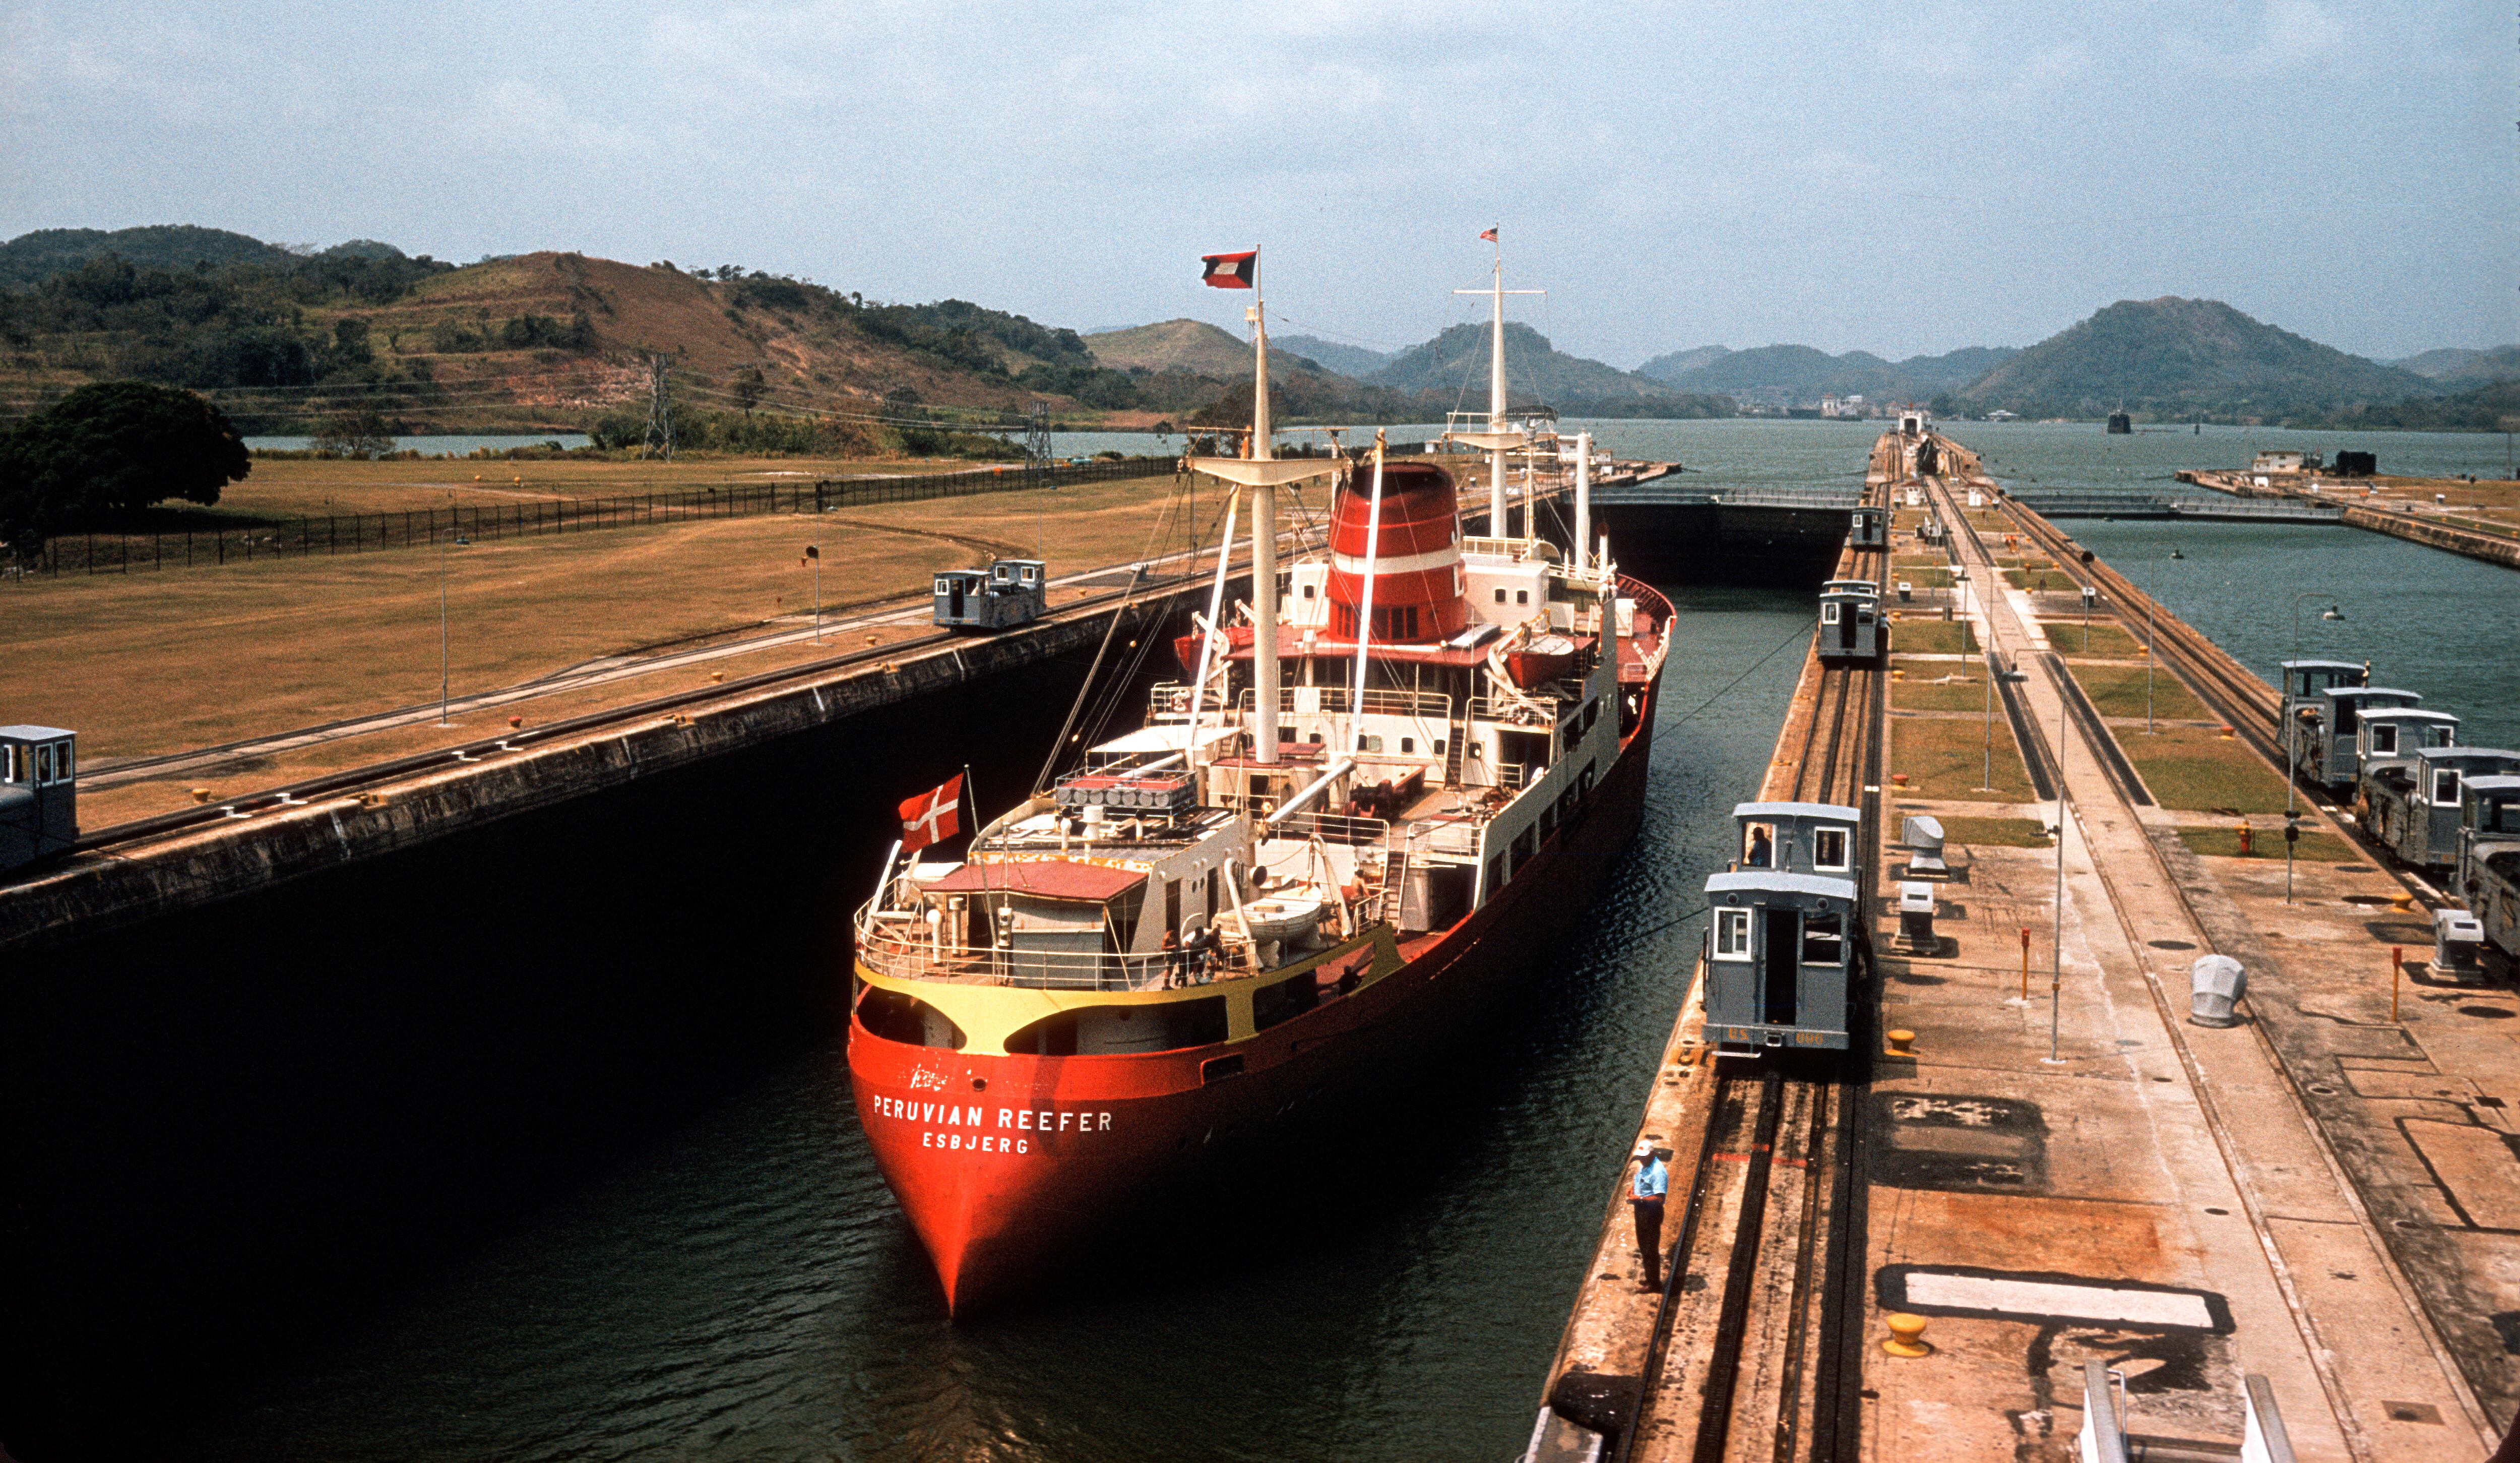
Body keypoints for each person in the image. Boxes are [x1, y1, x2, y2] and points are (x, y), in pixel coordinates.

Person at [1631, 1138, 1668, 1293]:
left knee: (1650, 1248)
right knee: (1644, 1246)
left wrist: (1639, 1199)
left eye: (1644, 1156)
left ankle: (1654, 1284)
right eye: (1640, 1156)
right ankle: (1649, 1277)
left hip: (1650, 1213)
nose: (1641, 1159)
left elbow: (1660, 1199)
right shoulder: (1645, 1164)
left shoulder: (1658, 1172)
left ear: (1652, 1154)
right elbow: (1641, 1181)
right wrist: (1633, 1190)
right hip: (1641, 1210)